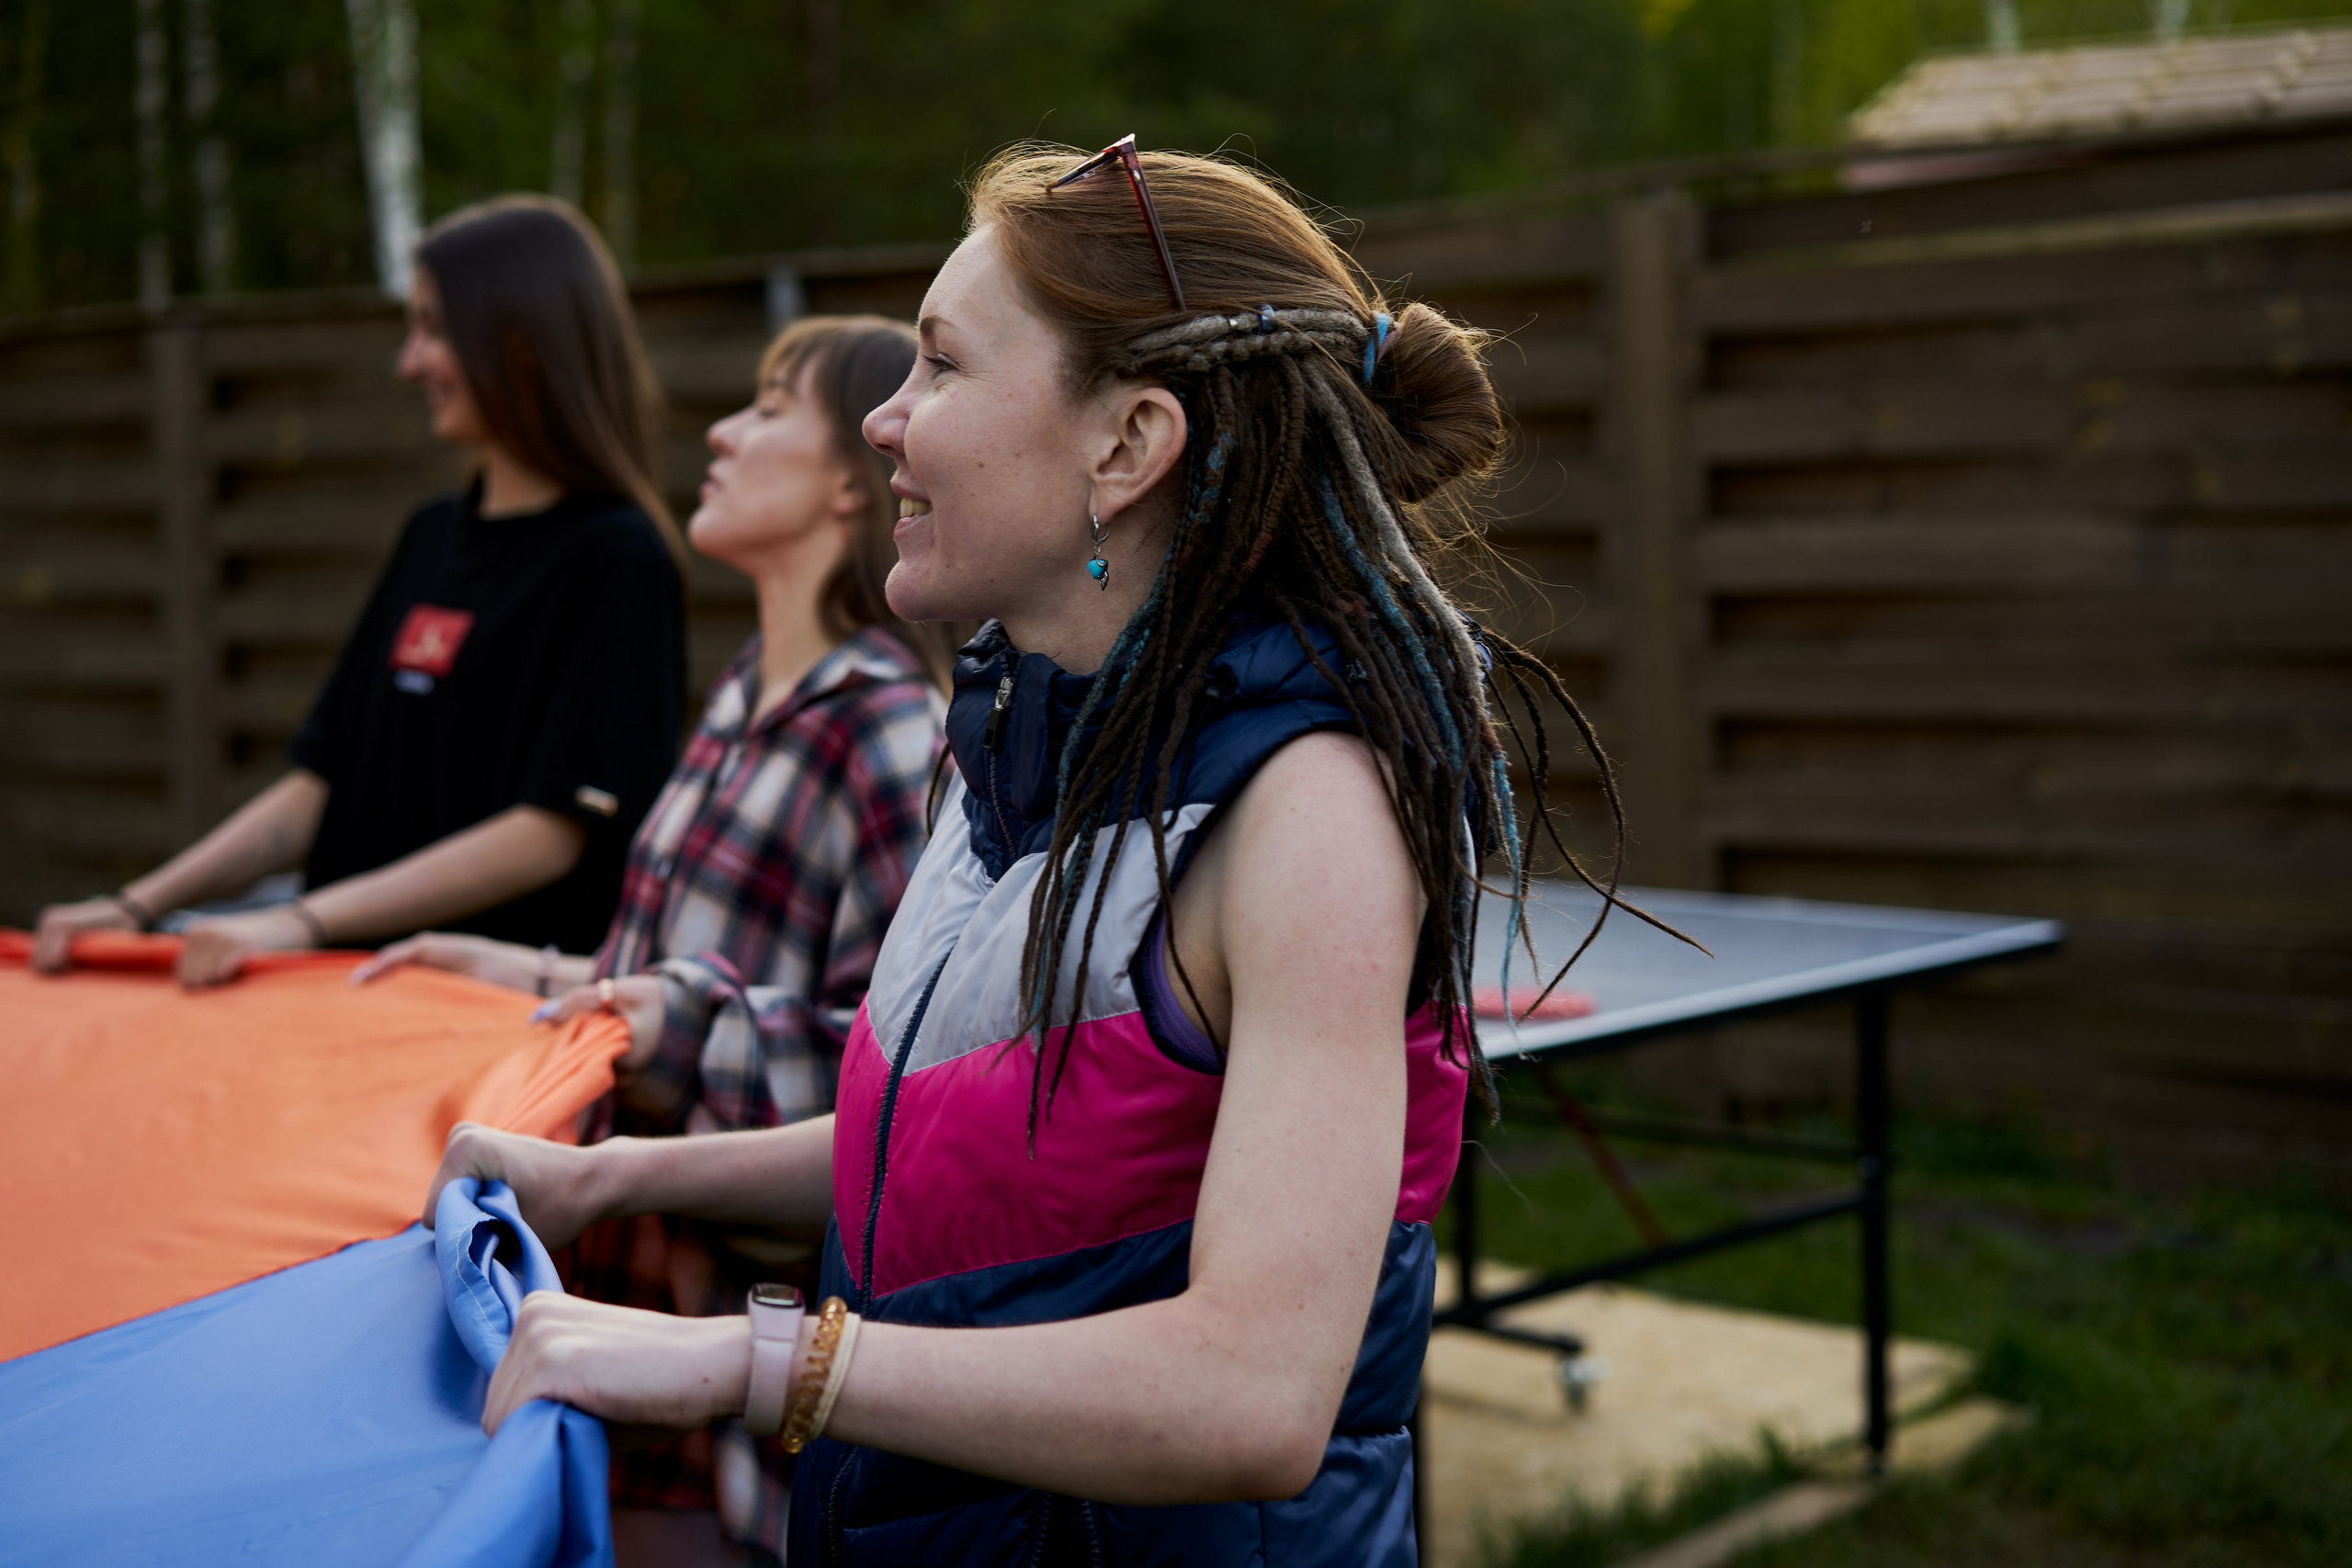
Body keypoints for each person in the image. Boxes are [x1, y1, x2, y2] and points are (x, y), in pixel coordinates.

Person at [423, 141, 1627, 1565]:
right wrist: (617, 1175)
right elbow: (942, 1141)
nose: (886, 419)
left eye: (940, 364)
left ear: (1126, 445)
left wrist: (745, 1358)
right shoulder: (1019, 747)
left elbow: (1256, 1393)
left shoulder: (1311, 812)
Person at [355, 315, 958, 1561]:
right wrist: (513, 970)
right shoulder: (739, 696)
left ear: (851, 481)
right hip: (596, 1329)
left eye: (769, 409)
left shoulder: (891, 732)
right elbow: (664, 978)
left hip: (718, 1406)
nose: (721, 434)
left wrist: (665, 1021)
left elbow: (892, 1086)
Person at [31, 196, 685, 987]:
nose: (410, 362)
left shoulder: (617, 557)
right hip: (344, 987)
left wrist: (303, 920)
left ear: (520, 342)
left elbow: (550, 832)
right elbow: (322, 780)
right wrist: (136, 905)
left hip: (477, 1014)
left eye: (434, 329)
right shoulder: (431, 533)